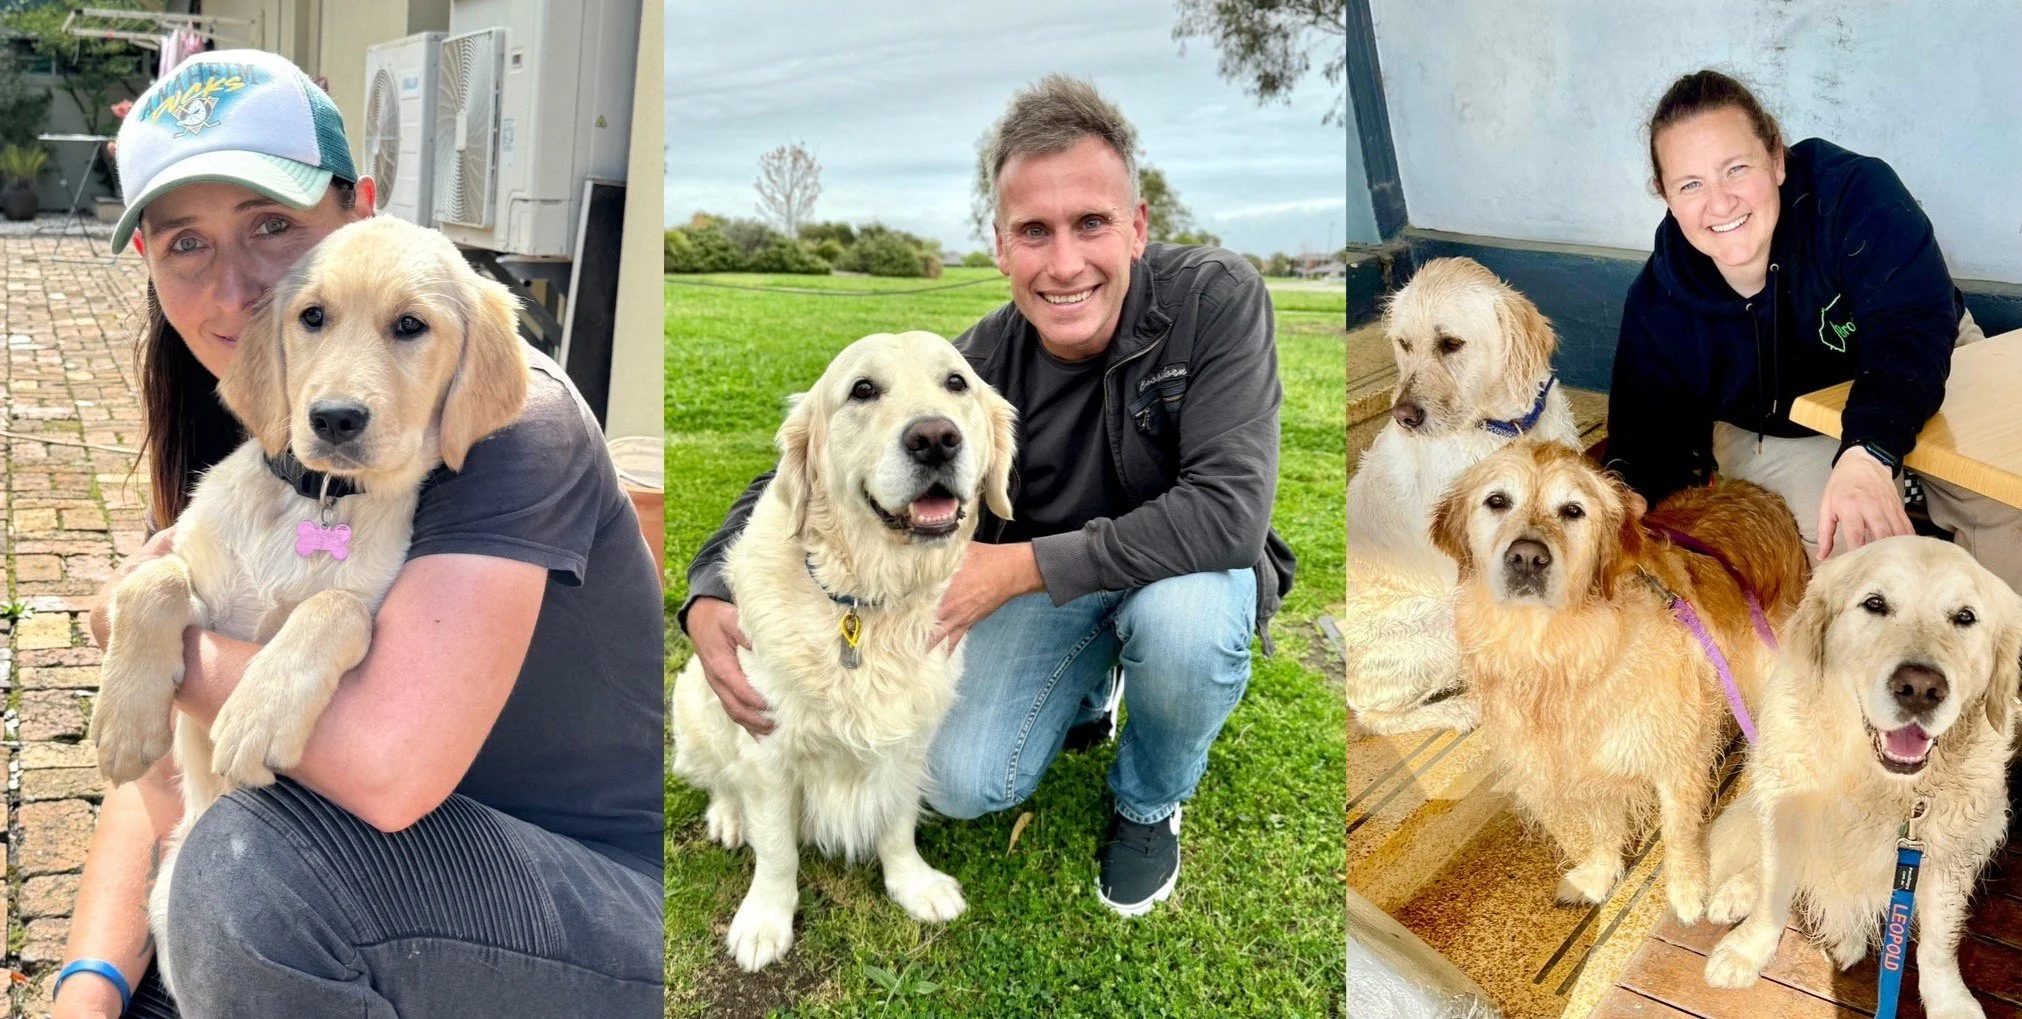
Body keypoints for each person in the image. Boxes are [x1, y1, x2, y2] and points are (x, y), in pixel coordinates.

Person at [52, 50, 663, 1019]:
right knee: (204, 901)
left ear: (360, 209)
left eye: (273, 226)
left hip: (594, 906)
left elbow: (383, 769)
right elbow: (157, 757)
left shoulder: (505, 424)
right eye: (186, 246)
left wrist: (164, 644)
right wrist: (85, 986)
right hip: (374, 873)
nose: (235, 290)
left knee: (248, 874)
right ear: (149, 263)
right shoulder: (273, 419)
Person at [683, 74, 1293, 917]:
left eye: (1091, 223)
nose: (1065, 261)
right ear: (1001, 246)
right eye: (1033, 232)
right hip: (1053, 592)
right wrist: (709, 586)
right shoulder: (971, 367)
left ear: (1139, 227)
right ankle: (1091, 685)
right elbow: (804, 459)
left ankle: (1148, 801)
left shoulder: (1216, 300)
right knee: (967, 783)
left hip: (1173, 573)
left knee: (1185, 624)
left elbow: (1229, 515)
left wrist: (1010, 571)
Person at [1606, 69, 2022, 589]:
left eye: (1736, 169)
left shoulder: (1855, 192)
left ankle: (2005, 656)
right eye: (1690, 184)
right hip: (1779, 423)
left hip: (1919, 360)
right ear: (1664, 193)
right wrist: (1627, 495)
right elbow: (1646, 433)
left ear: (1777, 159)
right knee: (1842, 544)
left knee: (2002, 495)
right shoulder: (1659, 299)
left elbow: (1912, 328)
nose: (1719, 202)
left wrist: (1870, 450)